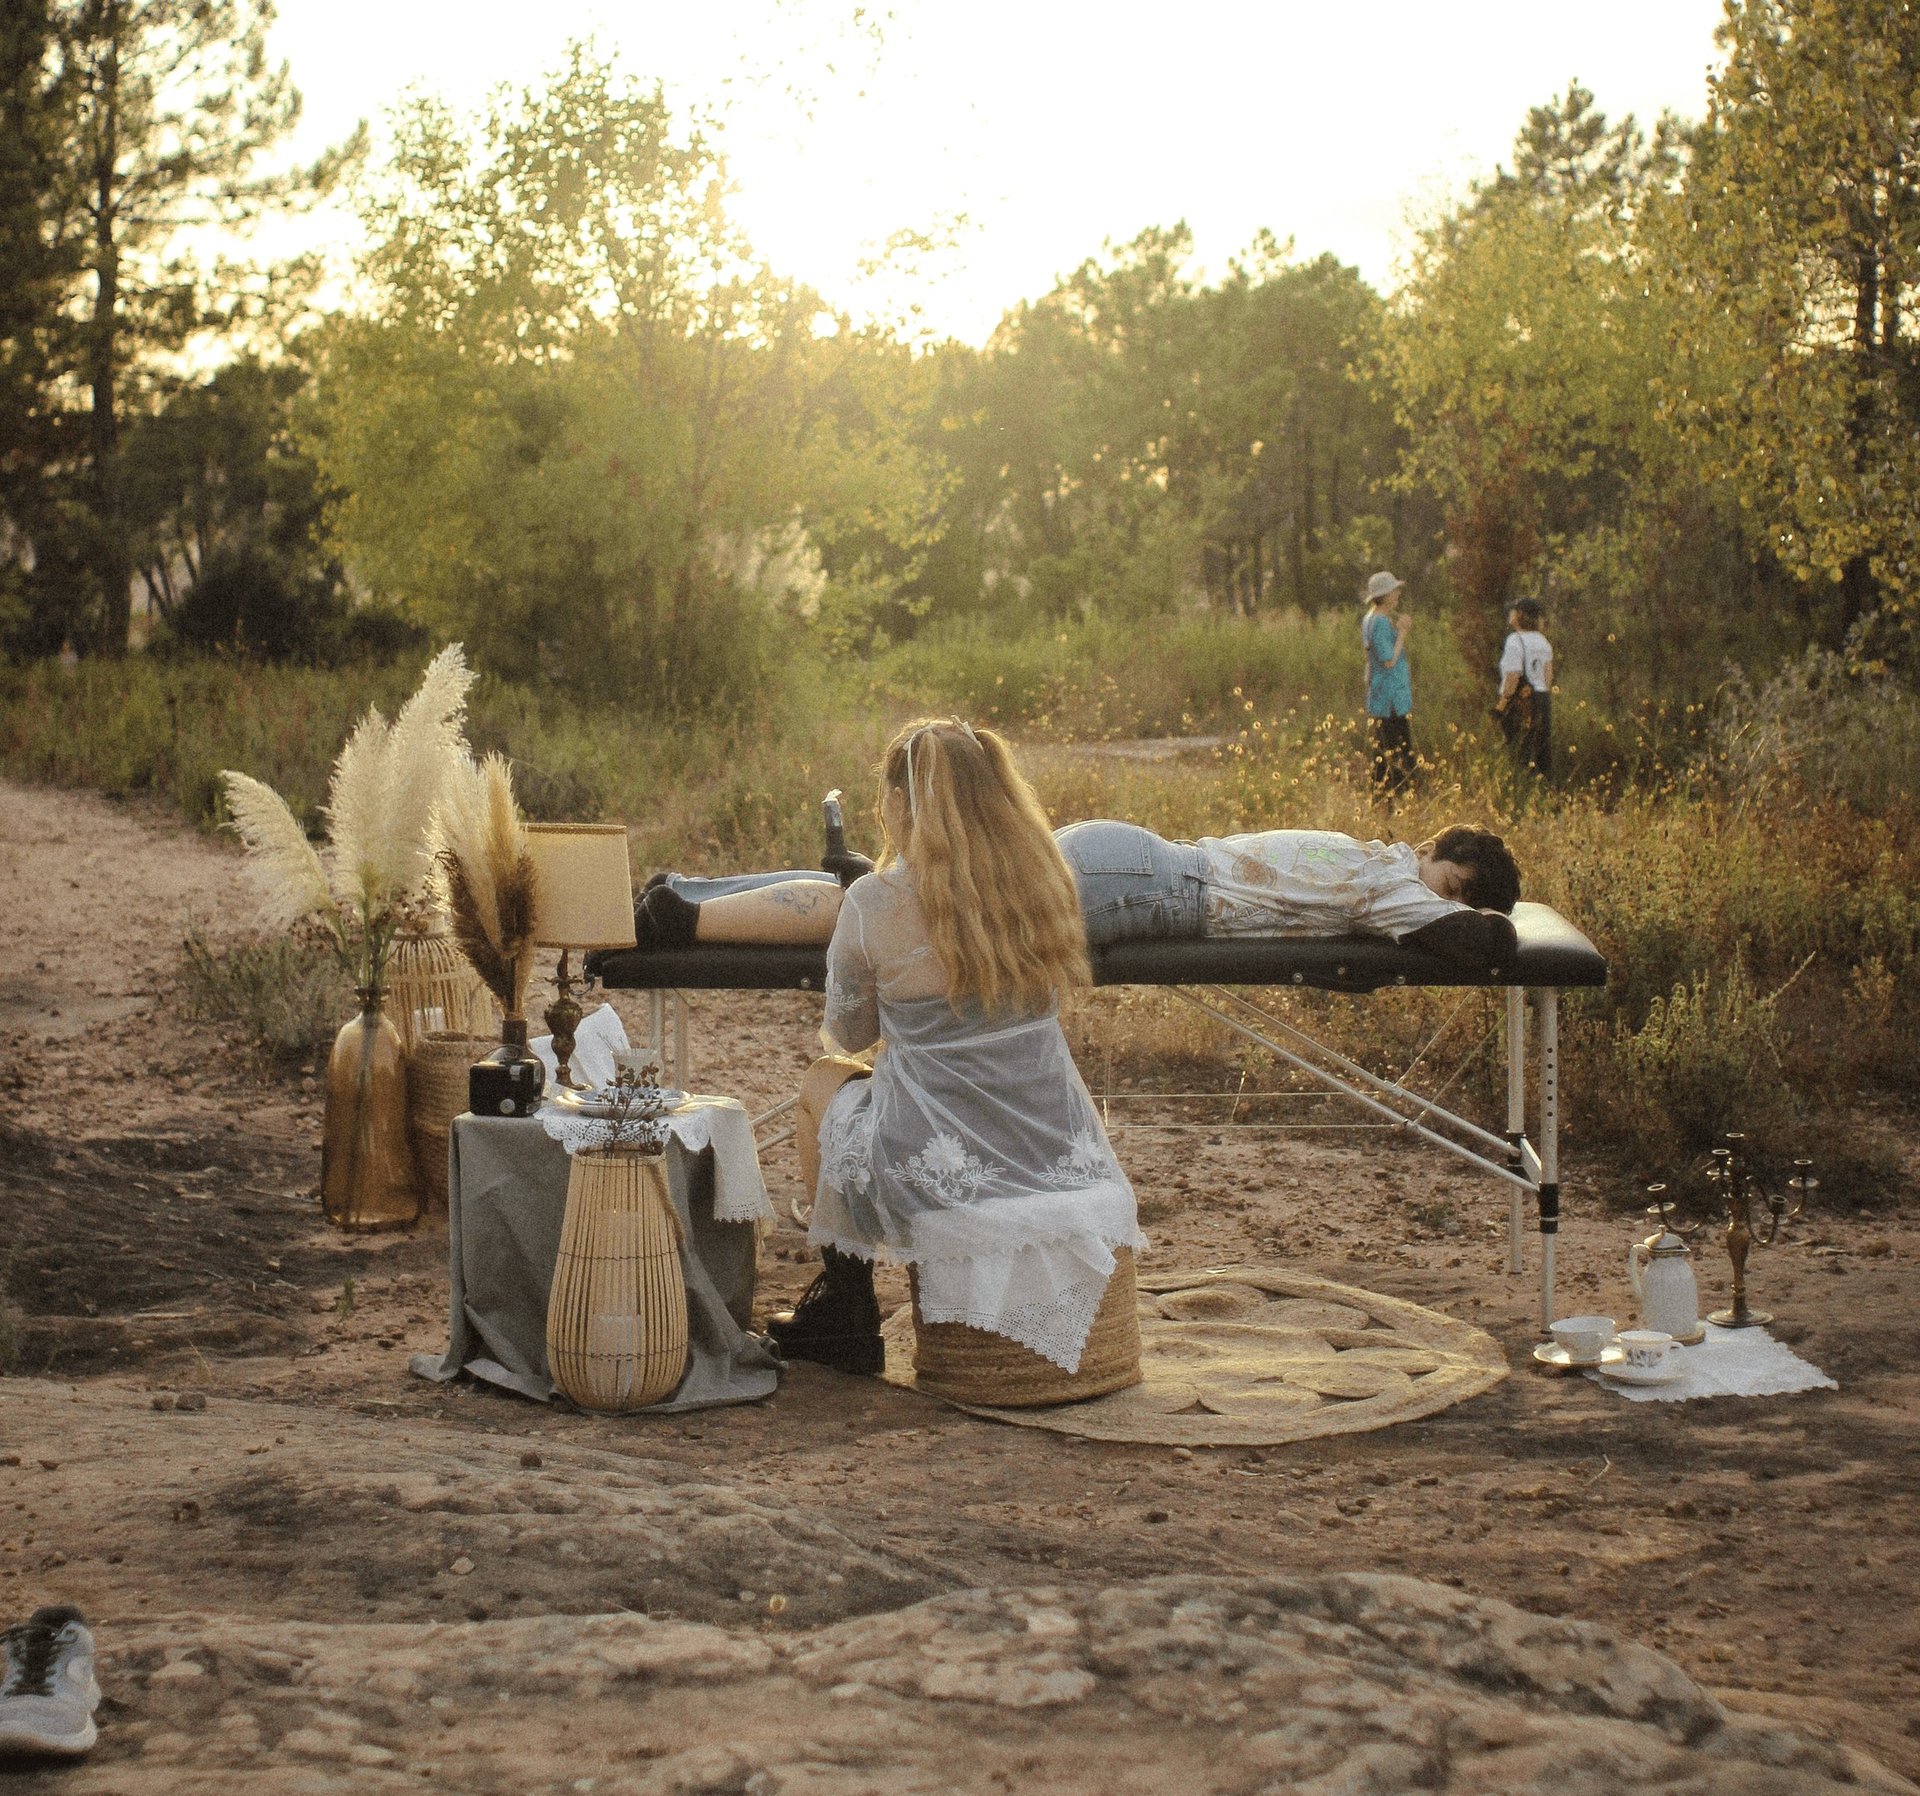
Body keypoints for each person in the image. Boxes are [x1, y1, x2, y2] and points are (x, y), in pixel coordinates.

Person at [764, 718, 1143, 1379]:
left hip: (934, 1155)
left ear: (900, 800)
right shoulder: (1043, 879)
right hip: (1054, 1139)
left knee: (823, 1082)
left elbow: (850, 1037)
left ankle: (846, 1309)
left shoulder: (873, 902)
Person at [625, 817, 1521, 965]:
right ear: (1437, 862)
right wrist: (1480, 918)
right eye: (1450, 887)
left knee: (908, 898)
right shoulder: (1391, 882)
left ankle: (686, 896)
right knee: (912, 922)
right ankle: (684, 921)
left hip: (1128, 859)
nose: (1439, 904)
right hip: (1143, 887)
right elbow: (1482, 944)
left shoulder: (1364, 854)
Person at [1362, 570, 1415, 797]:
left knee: (1384, 746)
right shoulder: (1381, 622)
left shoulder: (1369, 619)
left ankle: (1383, 794)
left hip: (1380, 692)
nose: (1398, 594)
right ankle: (1399, 794)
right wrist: (1402, 632)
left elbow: (1369, 659)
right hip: (1391, 696)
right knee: (1399, 747)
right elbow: (1388, 660)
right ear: (1384, 595)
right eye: (1394, 590)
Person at [1495, 597, 1554, 778]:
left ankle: (1521, 786)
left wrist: (1502, 705)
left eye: (1513, 611)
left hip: (1520, 701)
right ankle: (1545, 785)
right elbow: (1548, 677)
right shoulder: (1543, 641)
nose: (1510, 613)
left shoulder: (1515, 640)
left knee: (1519, 750)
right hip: (1542, 700)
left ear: (1521, 615)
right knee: (1541, 748)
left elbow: (1513, 676)